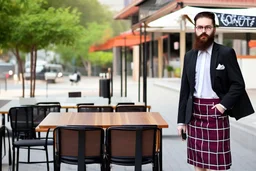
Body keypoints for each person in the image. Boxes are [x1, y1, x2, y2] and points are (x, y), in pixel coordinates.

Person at [177, 11, 254, 171]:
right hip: (195, 115)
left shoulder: (226, 53)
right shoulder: (189, 56)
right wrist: (181, 121)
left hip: (216, 113)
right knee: (198, 164)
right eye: (200, 27)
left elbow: (238, 84)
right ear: (195, 29)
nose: (203, 31)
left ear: (213, 29)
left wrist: (223, 106)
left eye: (207, 27)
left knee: (217, 165)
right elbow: (185, 90)